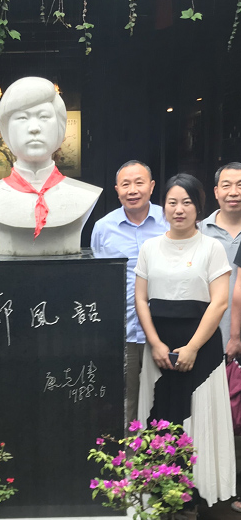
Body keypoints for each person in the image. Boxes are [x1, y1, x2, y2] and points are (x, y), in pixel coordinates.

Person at [135, 173, 235, 511]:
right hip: (159, 345)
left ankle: (198, 494)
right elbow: (141, 299)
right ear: (163, 206)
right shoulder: (149, 247)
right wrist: (154, 343)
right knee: (160, 413)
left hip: (201, 345)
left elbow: (219, 302)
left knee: (198, 414)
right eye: (172, 202)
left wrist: (192, 347)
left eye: (187, 202)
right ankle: (158, 491)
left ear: (198, 206)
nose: (179, 209)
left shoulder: (211, 247)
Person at [0, 76, 102, 256]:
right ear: (6, 129)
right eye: (22, 118)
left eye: (44, 117)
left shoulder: (86, 195)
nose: (34, 128)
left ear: (60, 126)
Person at [91, 160, 168, 428]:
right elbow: (98, 281)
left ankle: (164, 452)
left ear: (152, 186)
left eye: (139, 183)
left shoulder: (169, 220)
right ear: (117, 190)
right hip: (123, 329)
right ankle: (127, 452)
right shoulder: (103, 227)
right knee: (126, 400)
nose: (132, 190)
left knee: (165, 396)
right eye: (125, 184)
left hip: (165, 327)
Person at [199, 162, 241, 360]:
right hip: (209, 338)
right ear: (216, 192)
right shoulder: (199, 233)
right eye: (226, 186)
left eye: (240, 185)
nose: (234, 192)